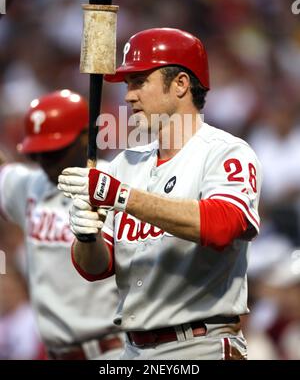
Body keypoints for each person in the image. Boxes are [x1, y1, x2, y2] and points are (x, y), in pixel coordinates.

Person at [58, 28, 262, 360]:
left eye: (139, 81)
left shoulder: (226, 152)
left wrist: (122, 196)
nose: (128, 96)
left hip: (200, 344)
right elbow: (96, 268)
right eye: (127, 85)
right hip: (132, 350)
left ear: (180, 84)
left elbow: (224, 225)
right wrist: (86, 236)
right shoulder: (125, 163)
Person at [0, 90, 123, 360]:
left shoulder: (117, 183)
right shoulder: (30, 185)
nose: (45, 162)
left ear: (85, 138)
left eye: (54, 151)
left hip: (112, 352)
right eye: (37, 153)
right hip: (53, 353)